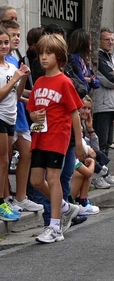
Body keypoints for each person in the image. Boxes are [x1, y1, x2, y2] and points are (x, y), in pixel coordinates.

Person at [27, 34, 85, 243]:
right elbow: (32, 110)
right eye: (41, 53)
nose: (43, 57)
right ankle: (65, 207)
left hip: (58, 137)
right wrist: (35, 116)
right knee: (35, 180)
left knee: (53, 179)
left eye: (49, 53)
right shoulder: (40, 81)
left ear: (59, 56)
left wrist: (78, 142)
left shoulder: (65, 82)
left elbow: (75, 113)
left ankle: (55, 226)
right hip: (40, 137)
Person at [0, 27, 30, 221]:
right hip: (1, 117)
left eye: (5, 42)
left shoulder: (11, 67)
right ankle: (2, 201)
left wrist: (23, 77)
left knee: (6, 161)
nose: (3, 46)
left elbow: (16, 96)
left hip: (11, 118)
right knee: (2, 161)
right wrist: (16, 79)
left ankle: (6, 199)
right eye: (0, 43)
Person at [93, 27, 114, 157]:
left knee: (108, 142)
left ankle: (104, 172)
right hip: (102, 105)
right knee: (101, 141)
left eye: (112, 39)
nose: (111, 42)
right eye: (107, 39)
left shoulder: (110, 56)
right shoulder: (98, 57)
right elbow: (112, 80)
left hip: (111, 104)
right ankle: (98, 173)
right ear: (99, 41)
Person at [67, 28, 100, 93]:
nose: (91, 43)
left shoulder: (86, 60)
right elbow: (83, 83)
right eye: (90, 41)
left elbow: (98, 83)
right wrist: (90, 80)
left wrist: (90, 80)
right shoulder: (74, 58)